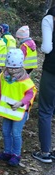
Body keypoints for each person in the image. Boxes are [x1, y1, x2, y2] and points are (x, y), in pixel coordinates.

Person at [0, 49, 36, 166]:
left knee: (16, 133)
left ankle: (16, 155)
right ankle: (7, 152)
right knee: (5, 131)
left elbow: (30, 94)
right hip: (7, 110)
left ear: (21, 66)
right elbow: (0, 91)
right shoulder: (3, 76)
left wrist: (21, 103)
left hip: (20, 111)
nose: (12, 71)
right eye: (10, 68)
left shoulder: (26, 80)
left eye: (15, 68)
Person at [33, 6, 55, 163]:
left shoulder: (50, 18)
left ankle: (45, 153)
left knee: (46, 111)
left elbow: (47, 47)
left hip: (52, 70)